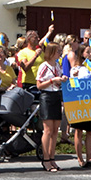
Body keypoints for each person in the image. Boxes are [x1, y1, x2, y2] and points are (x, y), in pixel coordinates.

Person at [36, 42, 67, 172]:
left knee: (55, 130)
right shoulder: (44, 66)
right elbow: (39, 85)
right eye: (58, 51)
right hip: (47, 97)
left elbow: (59, 81)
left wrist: (62, 79)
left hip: (56, 96)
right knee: (47, 130)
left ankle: (52, 157)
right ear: (51, 52)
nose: (60, 53)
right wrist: (51, 81)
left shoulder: (58, 66)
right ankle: (46, 159)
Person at [70, 44, 91, 168]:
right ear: (82, 53)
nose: (90, 55)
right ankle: (80, 158)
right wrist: (75, 77)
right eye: (88, 52)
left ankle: (89, 157)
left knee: (90, 131)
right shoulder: (76, 68)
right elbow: (73, 85)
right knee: (79, 131)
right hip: (80, 102)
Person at [17, 27, 53, 93]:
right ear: (29, 39)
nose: (38, 39)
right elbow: (25, 67)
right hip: (29, 84)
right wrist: (35, 56)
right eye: (35, 38)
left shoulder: (41, 52)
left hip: (41, 84)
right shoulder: (23, 52)